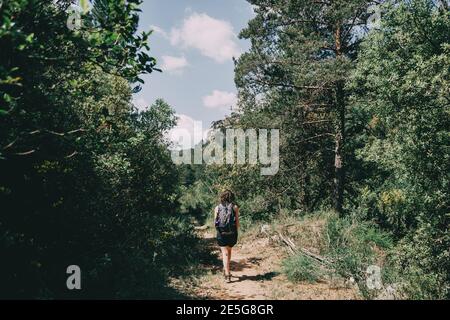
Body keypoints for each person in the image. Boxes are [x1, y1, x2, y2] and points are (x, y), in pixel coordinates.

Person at [214, 190, 239, 283]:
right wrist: (235, 232)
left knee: (224, 253)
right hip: (232, 233)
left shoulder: (217, 208)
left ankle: (227, 274)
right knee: (229, 251)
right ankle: (227, 270)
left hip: (221, 233)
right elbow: (237, 223)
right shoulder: (235, 207)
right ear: (231, 197)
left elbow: (215, 223)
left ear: (222, 197)